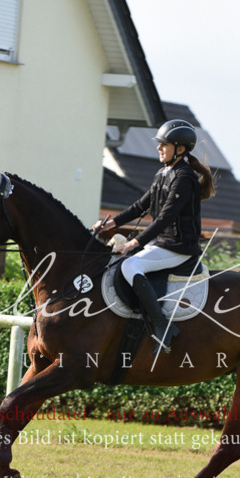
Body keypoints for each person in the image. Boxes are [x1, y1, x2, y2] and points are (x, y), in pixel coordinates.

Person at [93, 119, 215, 355]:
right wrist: (112, 223)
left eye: (164, 145)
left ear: (180, 149)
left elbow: (165, 218)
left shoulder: (184, 178)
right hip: (162, 244)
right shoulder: (163, 173)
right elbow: (141, 205)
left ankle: (162, 325)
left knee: (130, 264)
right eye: (159, 144)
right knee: (118, 261)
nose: (159, 148)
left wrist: (133, 243)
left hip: (179, 248)